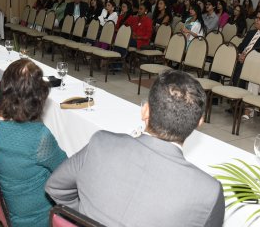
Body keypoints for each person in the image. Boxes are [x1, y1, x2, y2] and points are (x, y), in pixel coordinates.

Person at [45, 70, 225, 227]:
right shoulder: (208, 191)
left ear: (145, 111)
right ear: (199, 123)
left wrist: (83, 216)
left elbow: (56, 187)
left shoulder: (101, 142)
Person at [0, 59, 66, 227]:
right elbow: (65, 169)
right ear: (37, 98)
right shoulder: (38, 137)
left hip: (4, 204)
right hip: (34, 215)